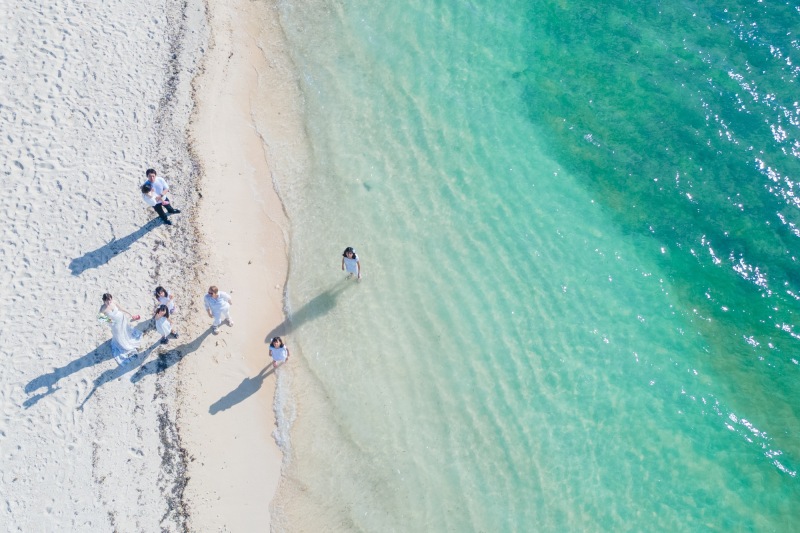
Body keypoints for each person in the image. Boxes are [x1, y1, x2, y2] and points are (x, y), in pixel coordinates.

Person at [99, 293, 143, 364]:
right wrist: (110, 321)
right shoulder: (102, 308)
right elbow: (101, 318)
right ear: (104, 301)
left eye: (110, 300)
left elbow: (121, 309)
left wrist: (131, 314)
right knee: (118, 334)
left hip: (122, 319)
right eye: (107, 301)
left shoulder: (114, 302)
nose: (109, 302)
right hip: (114, 324)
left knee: (125, 331)